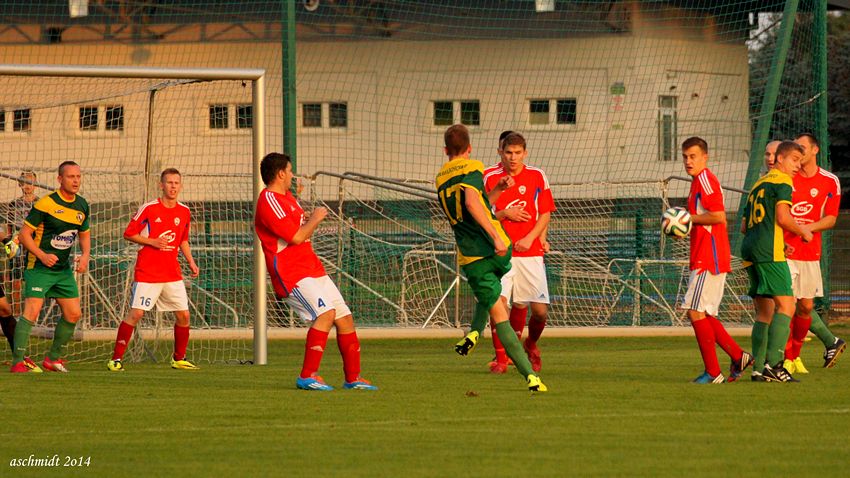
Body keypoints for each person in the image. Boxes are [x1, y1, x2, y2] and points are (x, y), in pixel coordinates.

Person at [436, 124, 547, 392]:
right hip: (501, 249)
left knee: (499, 310)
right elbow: (477, 203)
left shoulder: (440, 178)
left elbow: (475, 204)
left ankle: (529, 375)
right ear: (470, 148)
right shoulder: (474, 167)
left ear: (445, 150)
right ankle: (484, 341)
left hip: (475, 255)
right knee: (497, 300)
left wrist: (496, 229)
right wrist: (498, 236)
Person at [255, 152, 377, 391]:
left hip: (311, 268)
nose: (292, 175)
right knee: (326, 314)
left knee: (344, 318)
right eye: (290, 171)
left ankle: (353, 379)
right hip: (291, 273)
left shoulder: (288, 197)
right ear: (280, 174)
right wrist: (317, 218)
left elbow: (297, 226)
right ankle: (307, 376)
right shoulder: (269, 200)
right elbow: (296, 236)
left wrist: (307, 215)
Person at [107, 168, 200, 371]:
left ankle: (179, 358)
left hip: (172, 273)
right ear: (161, 185)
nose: (173, 186)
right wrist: (152, 242)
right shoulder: (149, 208)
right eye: (169, 182)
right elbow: (129, 233)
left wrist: (191, 262)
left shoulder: (184, 211)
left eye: (176, 183)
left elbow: (182, 239)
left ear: (180, 186)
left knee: (184, 315)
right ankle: (115, 359)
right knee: (136, 314)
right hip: (148, 272)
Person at [678, 137, 753, 383]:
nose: (688, 161)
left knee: (695, 312)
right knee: (704, 313)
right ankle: (738, 356)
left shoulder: (706, 181)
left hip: (708, 257)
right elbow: (703, 219)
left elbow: (719, 216)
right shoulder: (697, 182)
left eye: (693, 156)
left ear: (705, 157)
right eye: (685, 156)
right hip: (705, 254)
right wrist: (685, 226)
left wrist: (687, 219)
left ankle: (713, 372)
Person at [482, 131, 554, 374]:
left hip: (530, 253)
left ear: (525, 153)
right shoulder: (489, 177)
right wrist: (504, 215)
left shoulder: (536, 176)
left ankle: (530, 343)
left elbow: (545, 212)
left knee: (540, 312)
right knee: (499, 304)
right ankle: (501, 359)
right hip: (500, 252)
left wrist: (532, 238)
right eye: (508, 152)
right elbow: (480, 212)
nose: (513, 158)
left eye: (517, 153)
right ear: (500, 152)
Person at [10, 161, 91, 373]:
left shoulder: (82, 205)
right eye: (70, 176)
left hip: (62, 271)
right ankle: (18, 361)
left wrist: (85, 256)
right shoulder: (45, 203)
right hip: (39, 267)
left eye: (78, 176)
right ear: (59, 179)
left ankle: (53, 359)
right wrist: (42, 255)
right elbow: (24, 235)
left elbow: (84, 234)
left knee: (73, 314)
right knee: (32, 311)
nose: (75, 180)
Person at [741, 141, 812, 382]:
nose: (797, 166)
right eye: (794, 159)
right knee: (788, 305)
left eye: (800, 162)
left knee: (765, 312)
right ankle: (776, 365)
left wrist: (779, 242)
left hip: (750, 250)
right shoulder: (782, 181)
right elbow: (783, 217)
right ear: (780, 159)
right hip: (767, 253)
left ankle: (759, 368)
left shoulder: (757, 185)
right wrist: (802, 231)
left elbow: (744, 226)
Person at [782, 133, 845, 373]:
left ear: (815, 150)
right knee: (786, 305)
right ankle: (786, 357)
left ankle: (795, 354)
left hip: (810, 251)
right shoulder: (789, 177)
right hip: (785, 251)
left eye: (804, 147)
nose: (800, 151)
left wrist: (807, 228)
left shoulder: (829, 181)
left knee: (806, 307)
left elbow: (830, 218)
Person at [0, 171, 40, 369]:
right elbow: (7, 229)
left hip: (33, 248)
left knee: (30, 286)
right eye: (24, 183)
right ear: (19, 185)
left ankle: (25, 322)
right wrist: (9, 241)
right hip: (17, 248)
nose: (27, 186)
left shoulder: (40, 204)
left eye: (30, 182)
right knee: (14, 286)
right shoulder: (13, 205)